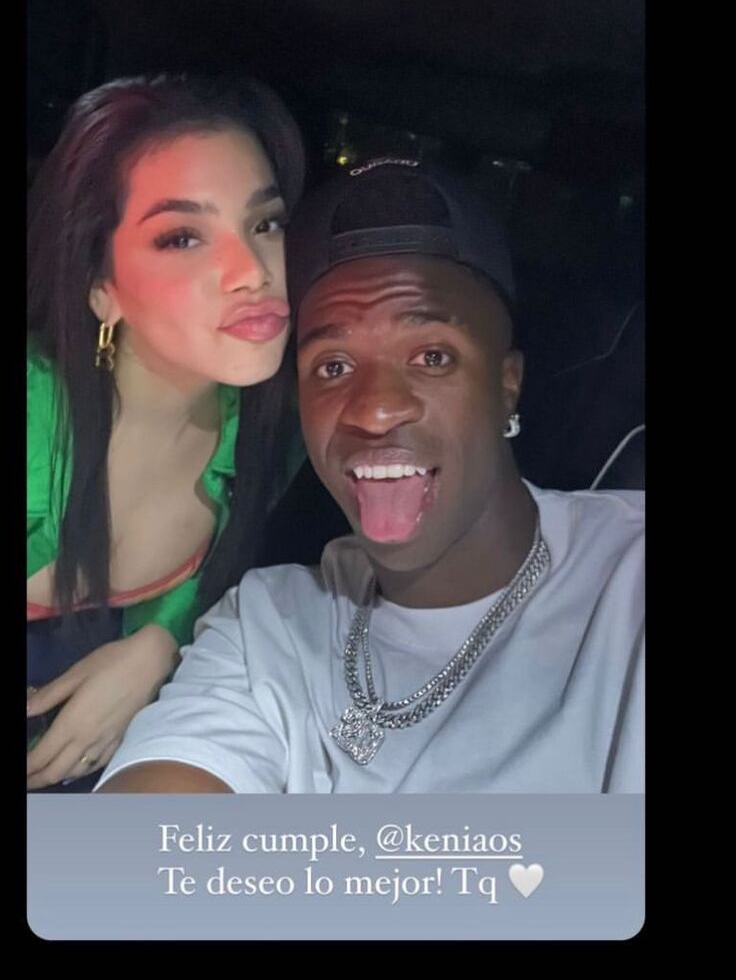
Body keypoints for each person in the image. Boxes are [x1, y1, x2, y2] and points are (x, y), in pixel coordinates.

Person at [97, 157, 644, 796]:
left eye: (432, 357)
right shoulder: (269, 623)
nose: (375, 410)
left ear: (506, 385)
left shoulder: (627, 582)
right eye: (333, 366)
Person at [26, 74, 306, 790]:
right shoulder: (36, 419)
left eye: (266, 224)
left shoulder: (275, 432)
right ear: (102, 287)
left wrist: (162, 645)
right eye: (183, 237)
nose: (252, 272)